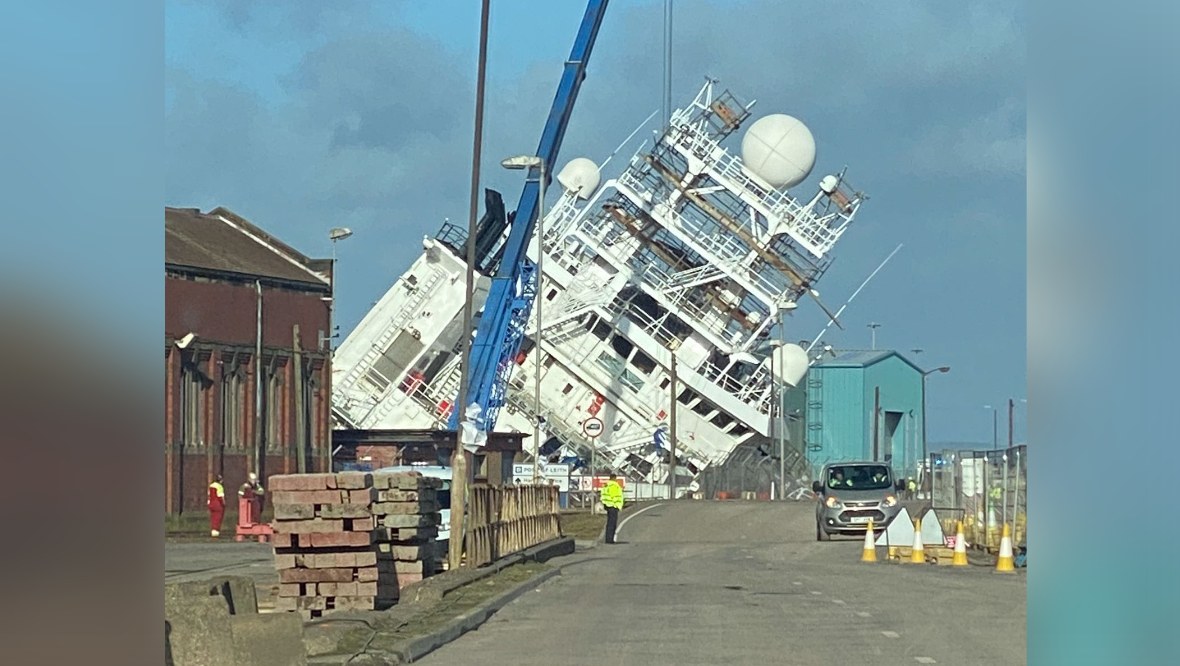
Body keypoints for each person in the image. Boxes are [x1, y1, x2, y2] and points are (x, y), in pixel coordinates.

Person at [600, 473, 625, 544]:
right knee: (612, 523)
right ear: (614, 478)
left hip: (607, 506)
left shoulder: (606, 485)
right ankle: (610, 539)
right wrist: (618, 506)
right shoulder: (615, 486)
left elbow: (603, 495)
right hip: (613, 506)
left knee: (609, 523)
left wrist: (605, 504)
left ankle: (608, 538)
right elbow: (616, 496)